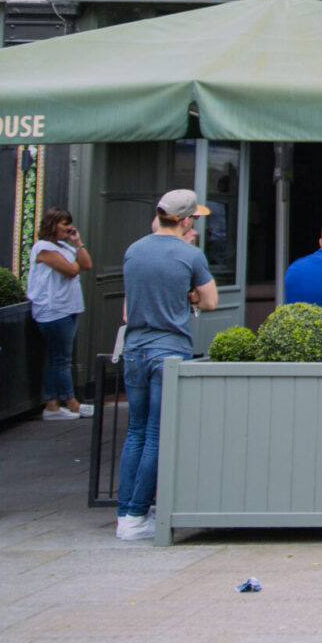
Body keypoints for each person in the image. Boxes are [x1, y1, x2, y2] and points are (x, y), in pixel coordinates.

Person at [115, 189, 217, 542]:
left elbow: (128, 309)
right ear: (187, 220)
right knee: (158, 435)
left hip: (134, 350)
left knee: (136, 432)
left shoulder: (134, 250)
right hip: (169, 350)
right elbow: (211, 300)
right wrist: (189, 294)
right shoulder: (189, 254)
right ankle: (137, 513)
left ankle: (125, 514)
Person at [25, 208, 93, 420]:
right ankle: (69, 403)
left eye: (68, 223)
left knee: (58, 358)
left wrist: (77, 242)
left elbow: (87, 264)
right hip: (53, 310)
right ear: (51, 225)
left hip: (69, 308)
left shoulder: (63, 246)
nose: (68, 227)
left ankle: (53, 404)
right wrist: (75, 262)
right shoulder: (43, 248)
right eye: (63, 223)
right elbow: (72, 270)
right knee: (60, 359)